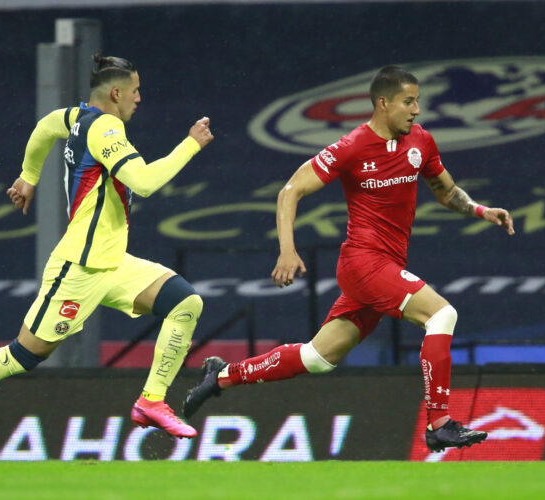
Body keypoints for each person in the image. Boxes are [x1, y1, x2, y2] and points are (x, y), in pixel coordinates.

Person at [183, 66, 514, 453]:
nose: (417, 110)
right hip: (363, 263)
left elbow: (446, 190)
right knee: (441, 315)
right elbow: (290, 190)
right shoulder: (352, 146)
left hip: (384, 268)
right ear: (383, 103)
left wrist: (480, 210)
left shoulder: (421, 142)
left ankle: (220, 376)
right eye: (409, 102)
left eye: (418, 101)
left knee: (318, 357)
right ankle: (439, 422)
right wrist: (287, 249)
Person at [0, 54, 214, 459]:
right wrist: (191, 145)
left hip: (113, 262)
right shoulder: (107, 128)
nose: (139, 98)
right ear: (115, 92)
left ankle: (151, 401)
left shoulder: (76, 116)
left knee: (185, 302)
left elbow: (43, 128)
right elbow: (143, 182)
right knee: (22, 356)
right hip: (78, 268)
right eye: (135, 90)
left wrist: (28, 175)